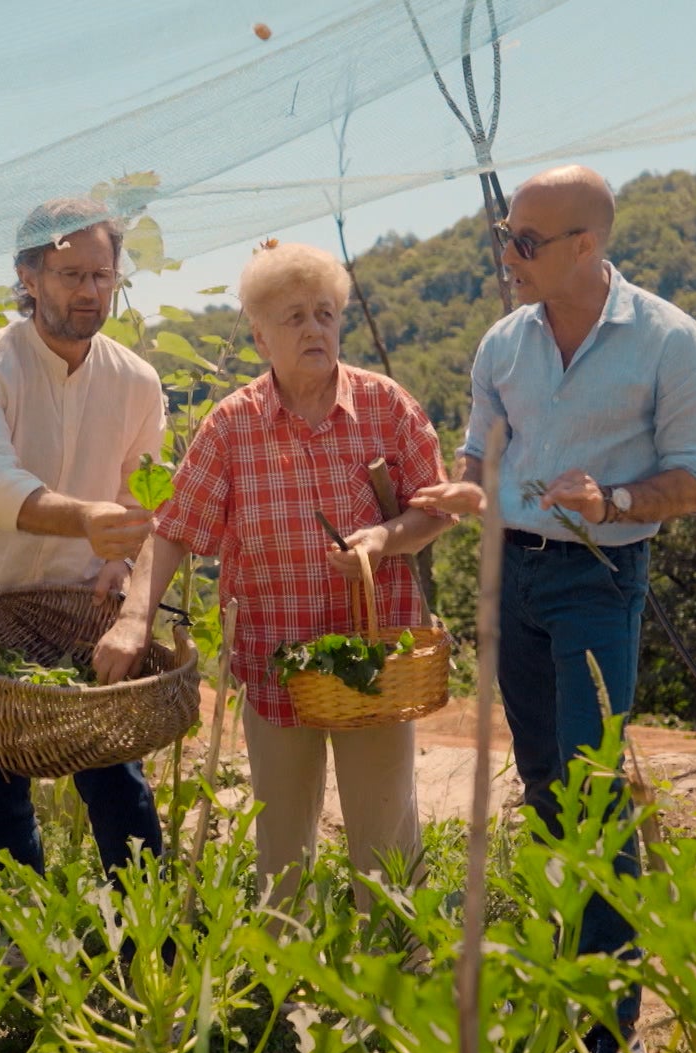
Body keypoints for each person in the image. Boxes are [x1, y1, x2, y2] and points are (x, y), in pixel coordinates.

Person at [411, 163, 696, 1053]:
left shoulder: (669, 340)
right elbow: (480, 456)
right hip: (511, 576)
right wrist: (457, 490)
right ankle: (563, 989)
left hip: (600, 575)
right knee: (547, 785)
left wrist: (617, 497)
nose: (507, 254)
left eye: (526, 241)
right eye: (507, 235)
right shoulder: (501, 345)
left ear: (586, 247)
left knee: (592, 796)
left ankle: (604, 1034)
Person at [95, 241, 453, 913]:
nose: (315, 329)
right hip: (274, 660)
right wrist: (134, 617)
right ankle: (284, 987)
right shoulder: (233, 425)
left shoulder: (384, 406)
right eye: (294, 318)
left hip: (374, 662)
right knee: (281, 847)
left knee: (387, 843)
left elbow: (435, 508)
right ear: (261, 337)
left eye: (325, 313)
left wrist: (384, 538)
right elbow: (174, 529)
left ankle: (399, 986)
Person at [0, 196, 166, 880]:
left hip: (77, 613)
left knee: (119, 787)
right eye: (70, 275)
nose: (90, 291)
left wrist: (119, 565)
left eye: (102, 274)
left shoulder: (134, 380)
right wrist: (87, 519)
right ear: (27, 277)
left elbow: (142, 498)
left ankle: (149, 942)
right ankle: (19, 956)